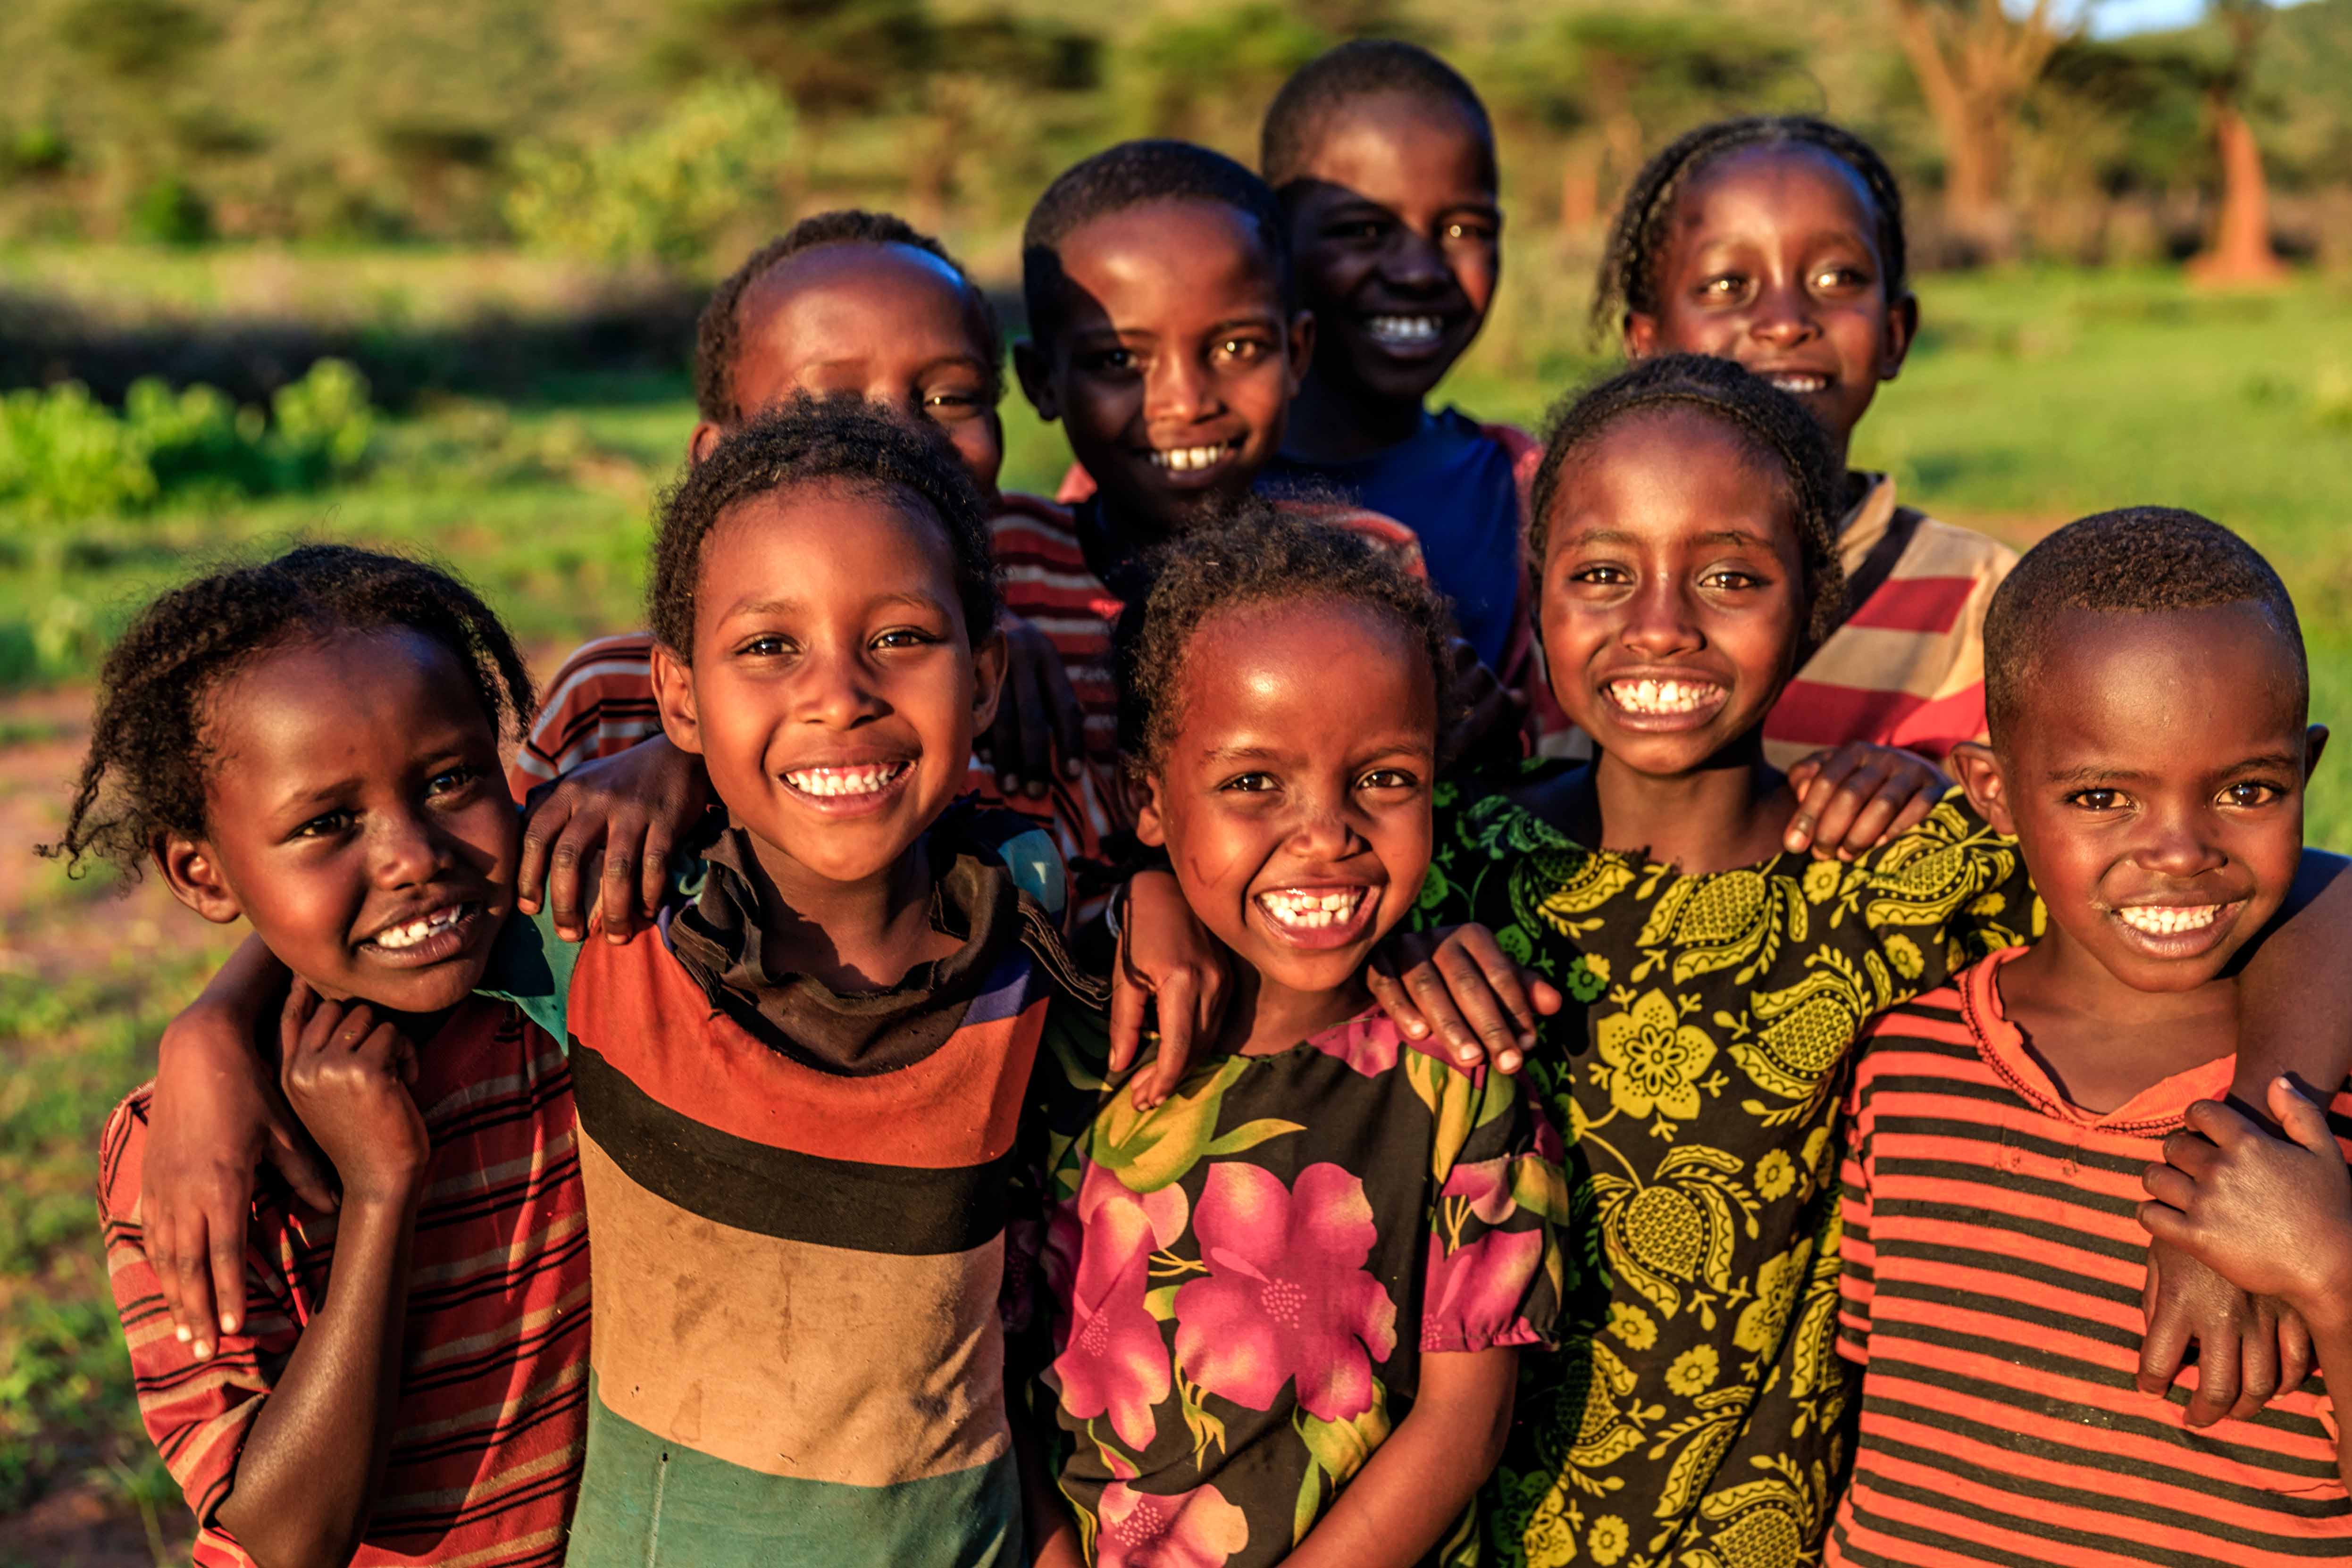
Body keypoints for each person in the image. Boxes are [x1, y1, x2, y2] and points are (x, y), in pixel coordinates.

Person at [1362, 358, 2352, 1566]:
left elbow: (2305, 884)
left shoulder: (1904, 876)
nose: (1662, 621)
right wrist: (1387, 949)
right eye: (1603, 575)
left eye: (1730, 575)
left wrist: (2260, 1144)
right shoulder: (1439, 866)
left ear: (1817, 604)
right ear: (1536, 595)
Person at [1019, 515, 1564, 1567]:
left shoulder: (1461, 1068)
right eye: (1253, 784)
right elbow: (989, 1377)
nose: (1326, 833)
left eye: (1385, 779)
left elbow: (1464, 1424)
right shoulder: (1071, 1048)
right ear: (1149, 800)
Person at [1836, 508, 2352, 1561]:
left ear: (2307, 771)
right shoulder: (1905, 1063)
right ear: (1993, 791)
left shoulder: (2324, 1108)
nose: (2178, 851)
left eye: (2247, 791)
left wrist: (2330, 1274)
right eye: (2104, 796)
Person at [57, 545, 590, 1567]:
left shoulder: (563, 1006)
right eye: (328, 823)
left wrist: (667, 767)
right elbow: (283, 1537)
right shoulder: (191, 1152)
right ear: (201, 872)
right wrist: (383, 1192)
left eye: (448, 780)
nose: (413, 855)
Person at [511, 210, 1130, 925]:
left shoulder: (1069, 621)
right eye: (827, 406)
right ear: (716, 454)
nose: (897, 436)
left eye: (949, 399)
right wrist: (692, 755)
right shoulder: (614, 705)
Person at [1607, 116, 2020, 769]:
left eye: (1835, 279)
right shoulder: (1581, 592)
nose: (1783, 323)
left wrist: (1935, 802)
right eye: (1725, 286)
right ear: (1645, 342)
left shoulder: (1983, 603)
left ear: (1894, 332)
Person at [1253, 40, 1530, 681]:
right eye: (1363, 231)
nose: (1418, 272)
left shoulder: (1530, 493)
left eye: (1462, 230)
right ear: (1273, 241)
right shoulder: (1167, 482)